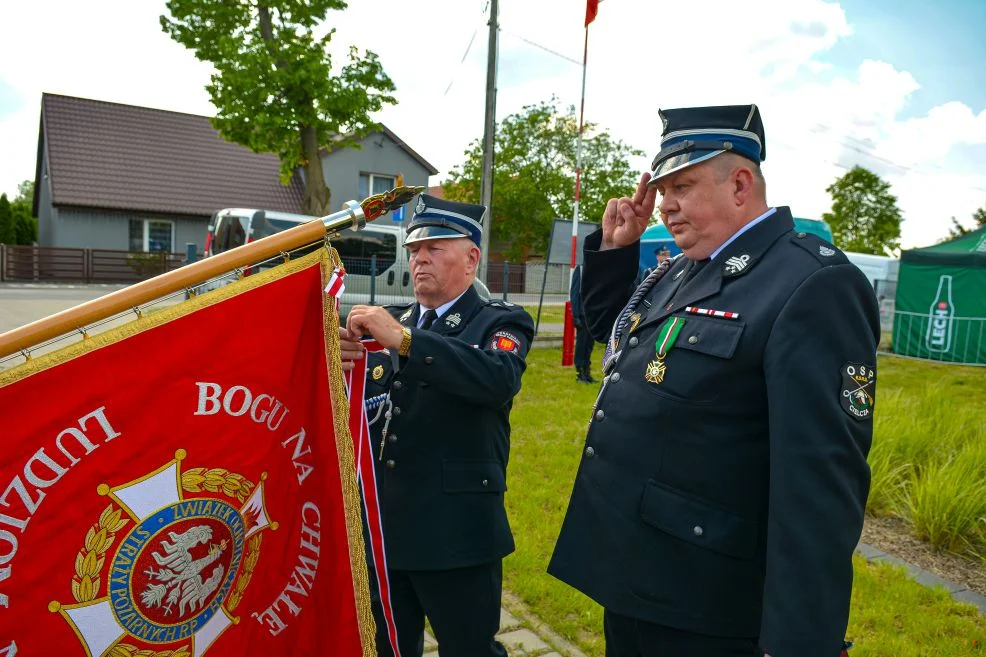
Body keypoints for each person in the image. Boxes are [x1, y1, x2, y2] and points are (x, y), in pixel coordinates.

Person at [548, 105, 879, 657]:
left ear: (741, 185)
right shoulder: (686, 265)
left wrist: (801, 640)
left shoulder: (810, 282)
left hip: (708, 603)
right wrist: (618, 251)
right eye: (661, 187)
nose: (664, 204)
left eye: (682, 185)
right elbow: (619, 337)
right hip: (636, 572)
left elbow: (820, 483)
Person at [339, 194, 535, 657]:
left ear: (471, 258)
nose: (420, 258)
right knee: (387, 646)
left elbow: (496, 379)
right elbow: (371, 416)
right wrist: (343, 369)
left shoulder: (499, 320)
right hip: (386, 528)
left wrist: (404, 340)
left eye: (436, 247)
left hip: (456, 534)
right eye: (414, 249)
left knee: (469, 649)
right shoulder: (395, 323)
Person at [570, 264, 596, 383]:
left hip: (593, 315)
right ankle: (579, 373)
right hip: (582, 314)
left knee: (589, 346)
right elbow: (574, 293)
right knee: (582, 345)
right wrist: (575, 315)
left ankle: (587, 372)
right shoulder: (580, 269)